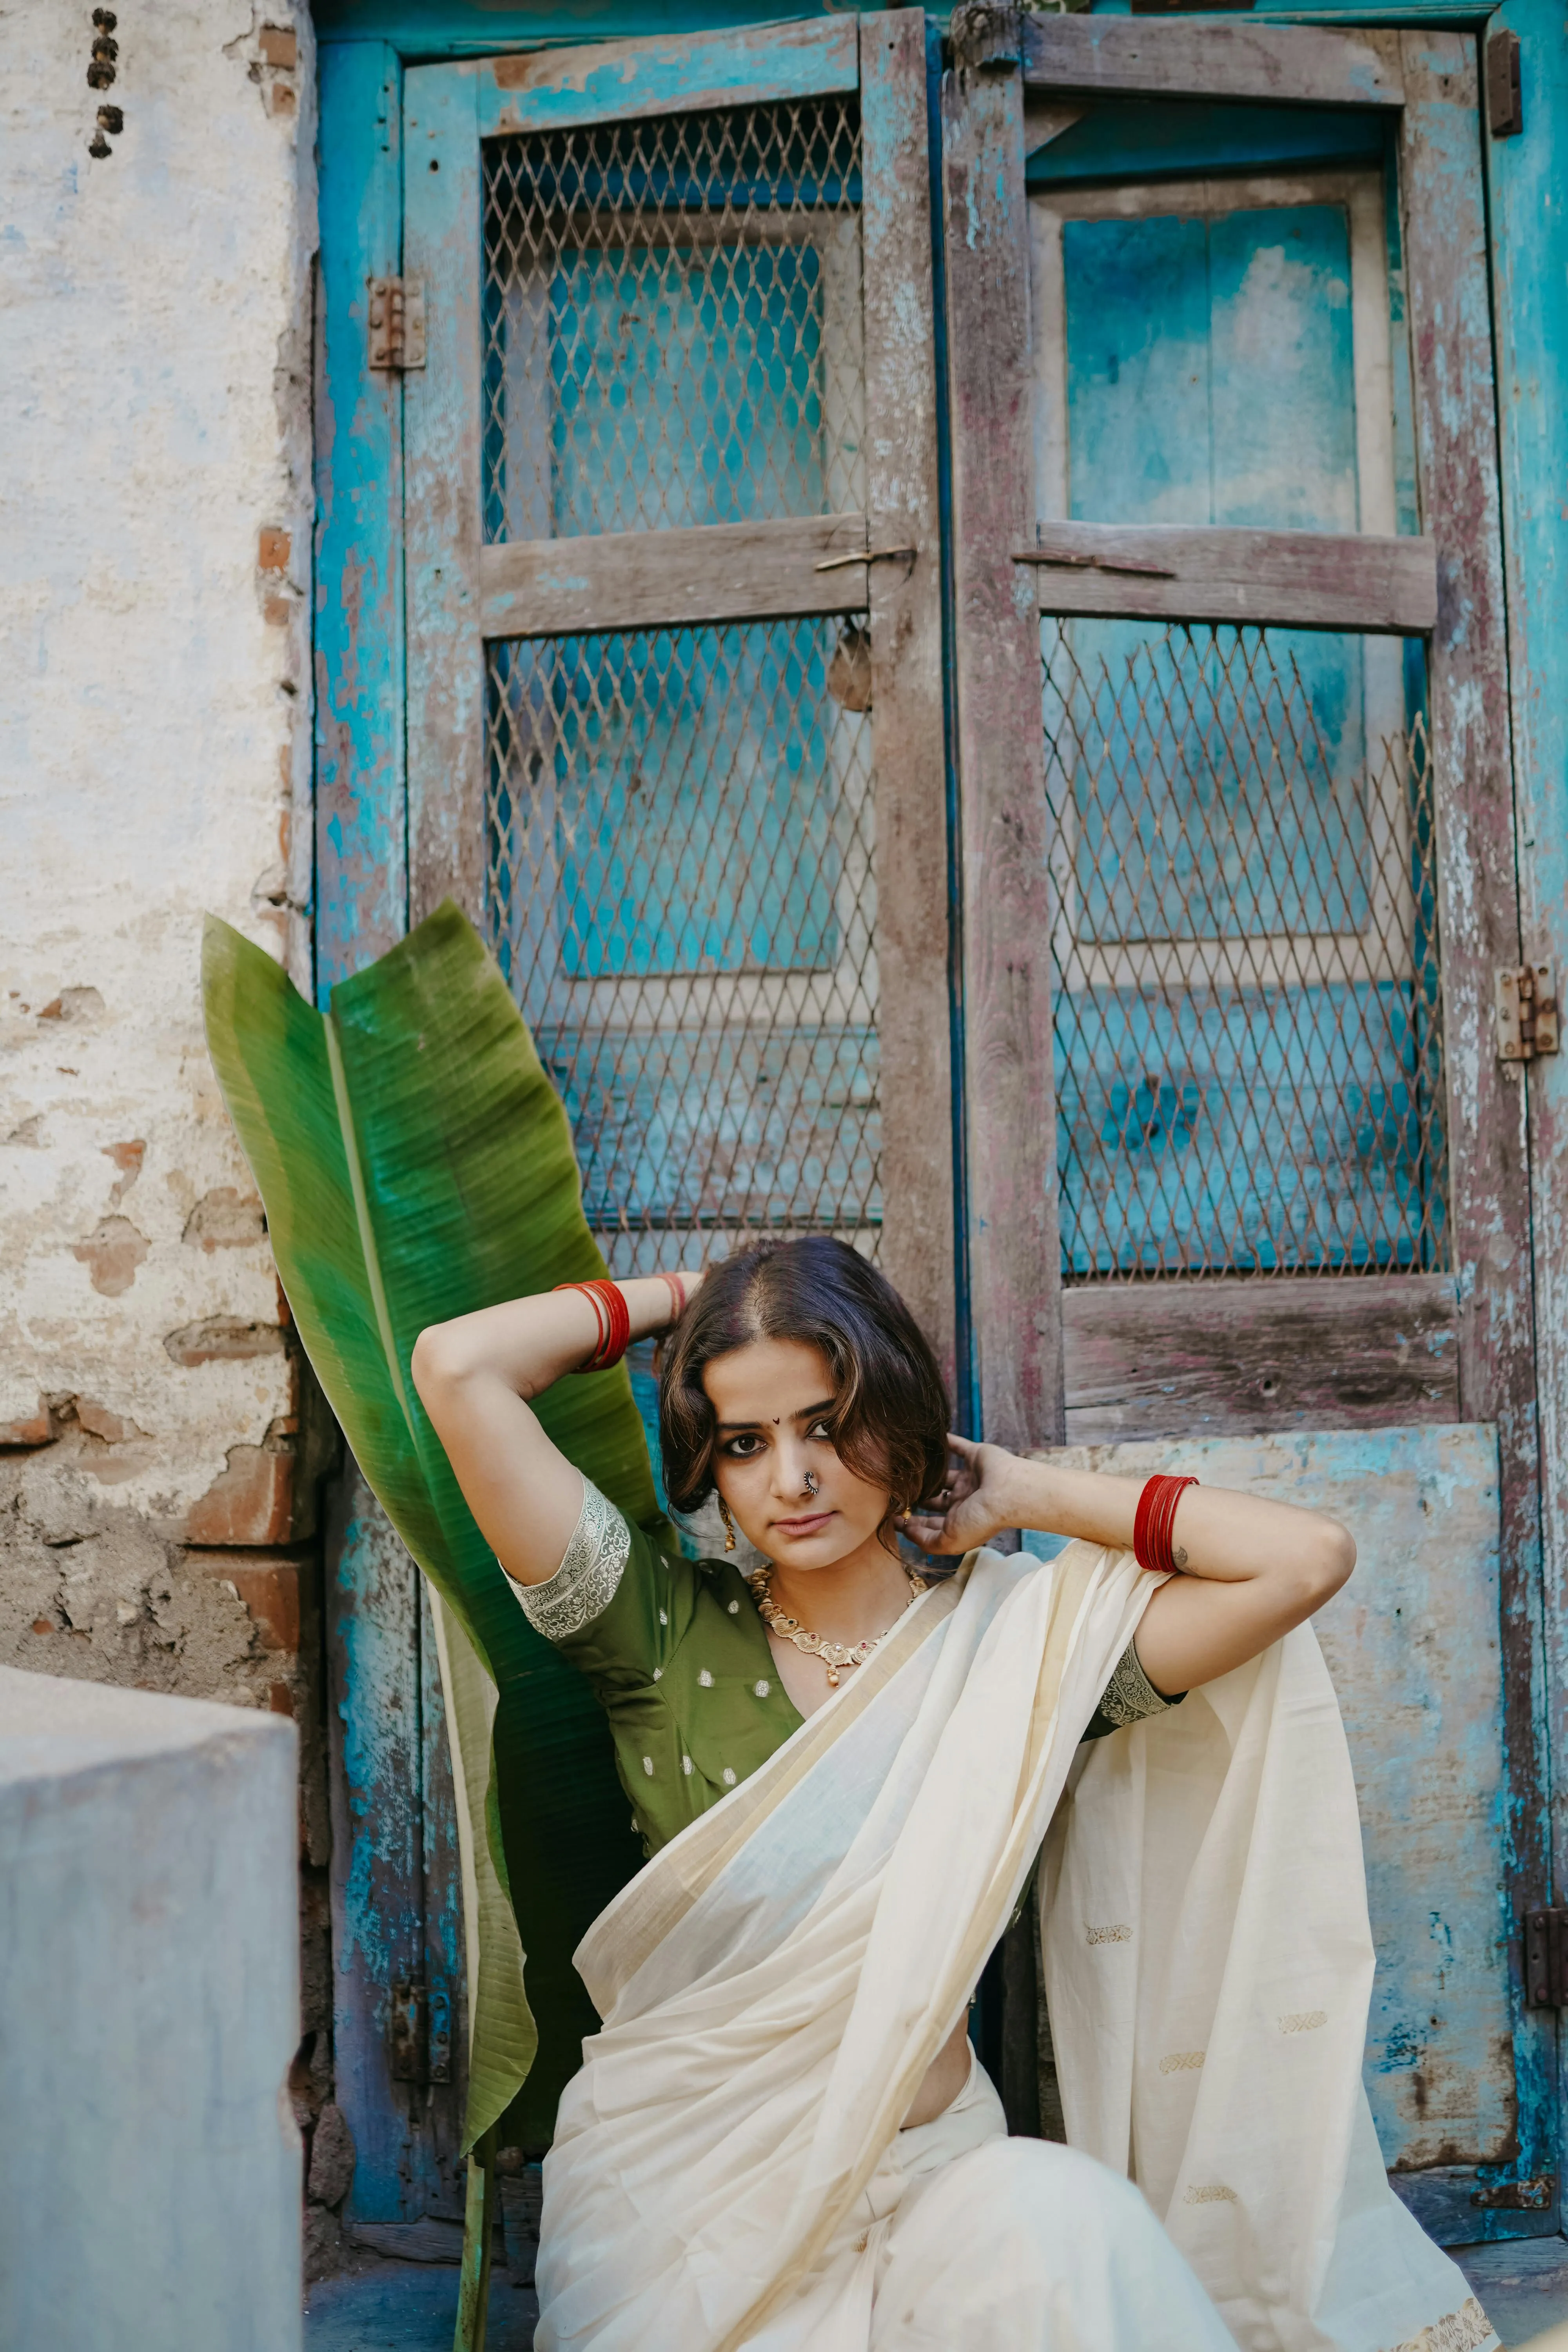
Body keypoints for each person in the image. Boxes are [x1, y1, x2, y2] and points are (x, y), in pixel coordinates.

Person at [412, 1237, 1497, 2352]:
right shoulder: (652, 1632)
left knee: (1065, 2226)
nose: (793, 1477)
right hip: (687, 2207)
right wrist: (703, 1300)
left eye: (828, 1422)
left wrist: (1029, 1491)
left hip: (941, 2184)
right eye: (746, 1443)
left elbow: (1306, 1558)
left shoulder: (1021, 1655)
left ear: (896, 1406)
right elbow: (457, 1367)